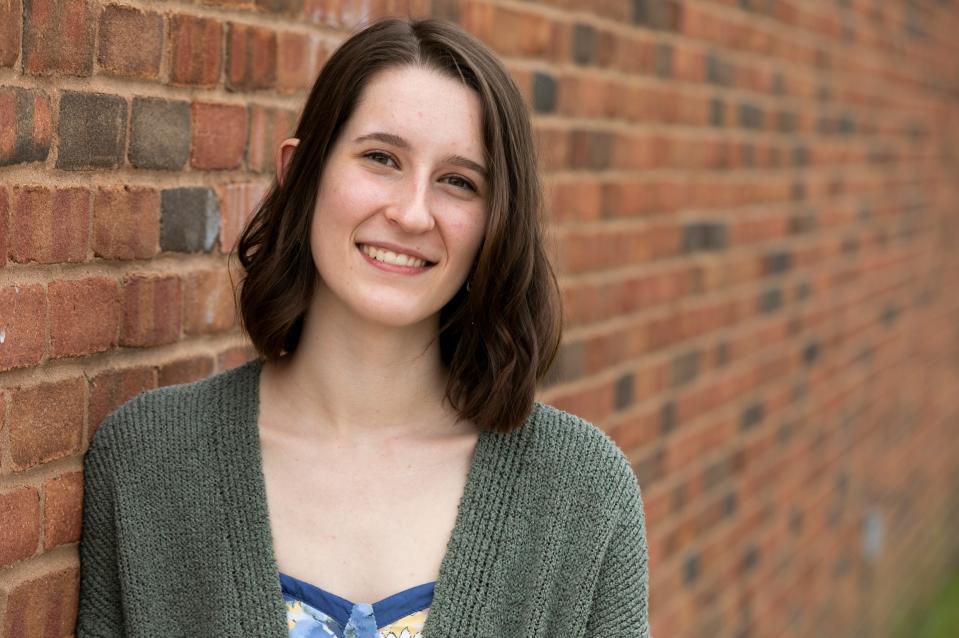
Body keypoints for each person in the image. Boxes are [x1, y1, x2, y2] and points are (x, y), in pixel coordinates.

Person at [78, 17, 650, 638]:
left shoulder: (583, 493)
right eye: (381, 158)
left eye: (458, 182)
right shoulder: (149, 462)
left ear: (495, 222)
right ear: (301, 172)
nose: (410, 212)